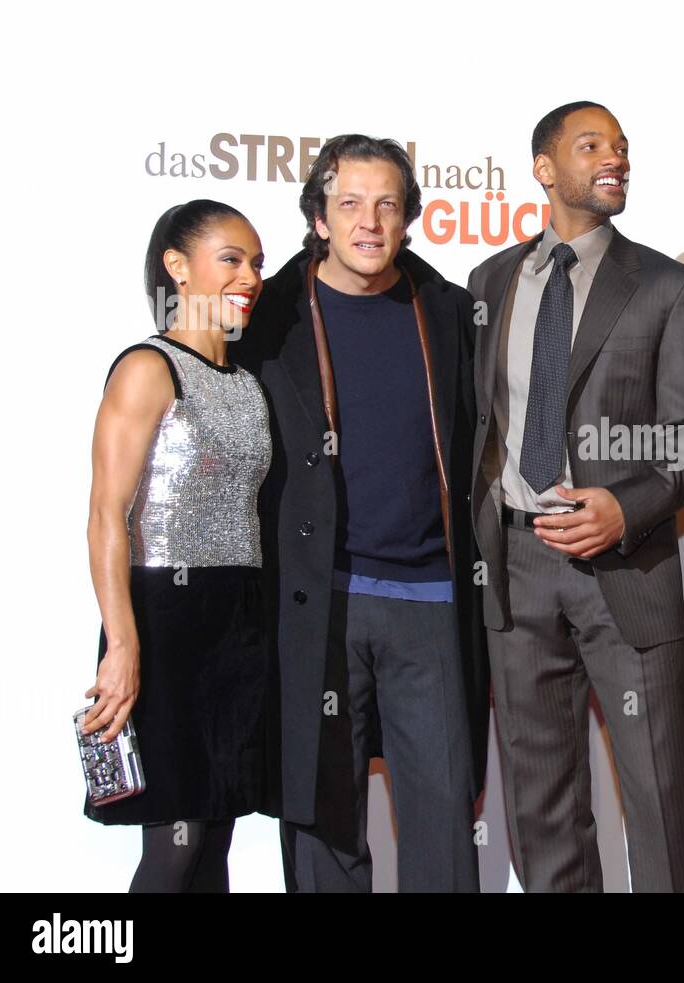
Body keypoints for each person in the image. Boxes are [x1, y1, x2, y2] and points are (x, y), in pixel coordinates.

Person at [467, 102, 684, 892]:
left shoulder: (670, 288)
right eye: (591, 146)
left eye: (621, 147)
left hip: (624, 568)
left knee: (659, 794)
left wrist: (628, 506)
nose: (615, 158)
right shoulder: (491, 280)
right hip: (514, 563)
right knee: (540, 801)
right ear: (545, 168)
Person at [230, 135, 487, 893]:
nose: (369, 221)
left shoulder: (448, 311)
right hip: (321, 605)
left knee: (444, 826)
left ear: (409, 216)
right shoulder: (268, 316)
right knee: (324, 827)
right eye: (349, 203)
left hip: (433, 603)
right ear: (318, 216)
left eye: (386, 204)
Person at [84, 199, 274, 892]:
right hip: (163, 622)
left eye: (256, 262)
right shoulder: (147, 367)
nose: (250, 275)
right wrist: (123, 645)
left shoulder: (251, 383)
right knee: (174, 849)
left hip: (239, 622)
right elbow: (107, 513)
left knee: (214, 839)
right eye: (231, 258)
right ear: (177, 266)